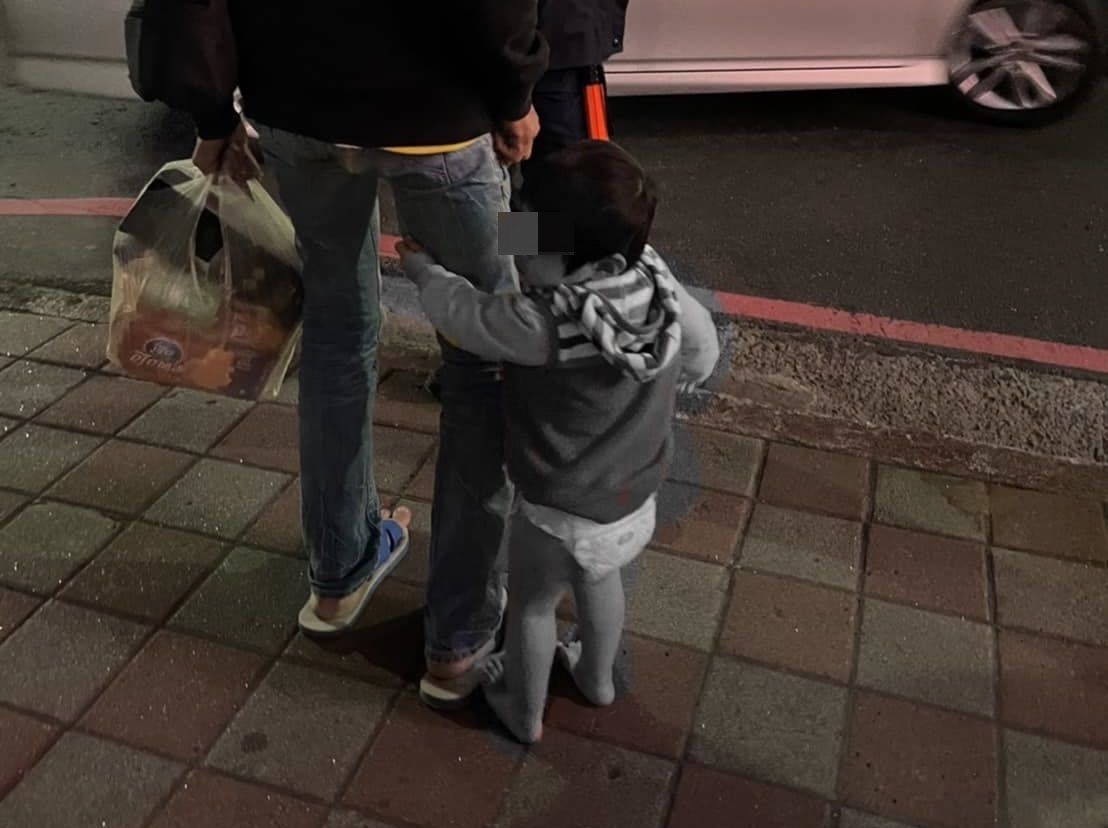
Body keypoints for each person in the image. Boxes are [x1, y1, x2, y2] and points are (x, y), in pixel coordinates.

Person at [175, 2, 549, 697]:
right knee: (483, 357)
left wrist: (212, 115)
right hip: (439, 111)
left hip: (297, 107)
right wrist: (516, 94)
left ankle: (338, 572)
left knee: (336, 328)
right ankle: (460, 634)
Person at [397, 140, 720, 742]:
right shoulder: (655, 281)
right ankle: (596, 678)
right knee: (600, 582)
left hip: (558, 511)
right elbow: (701, 348)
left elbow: (469, 317)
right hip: (633, 496)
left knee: (533, 605)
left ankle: (522, 712)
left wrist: (425, 272)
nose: (518, 253)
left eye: (533, 245)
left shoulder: (546, 324)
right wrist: (686, 379)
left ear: (591, 263)